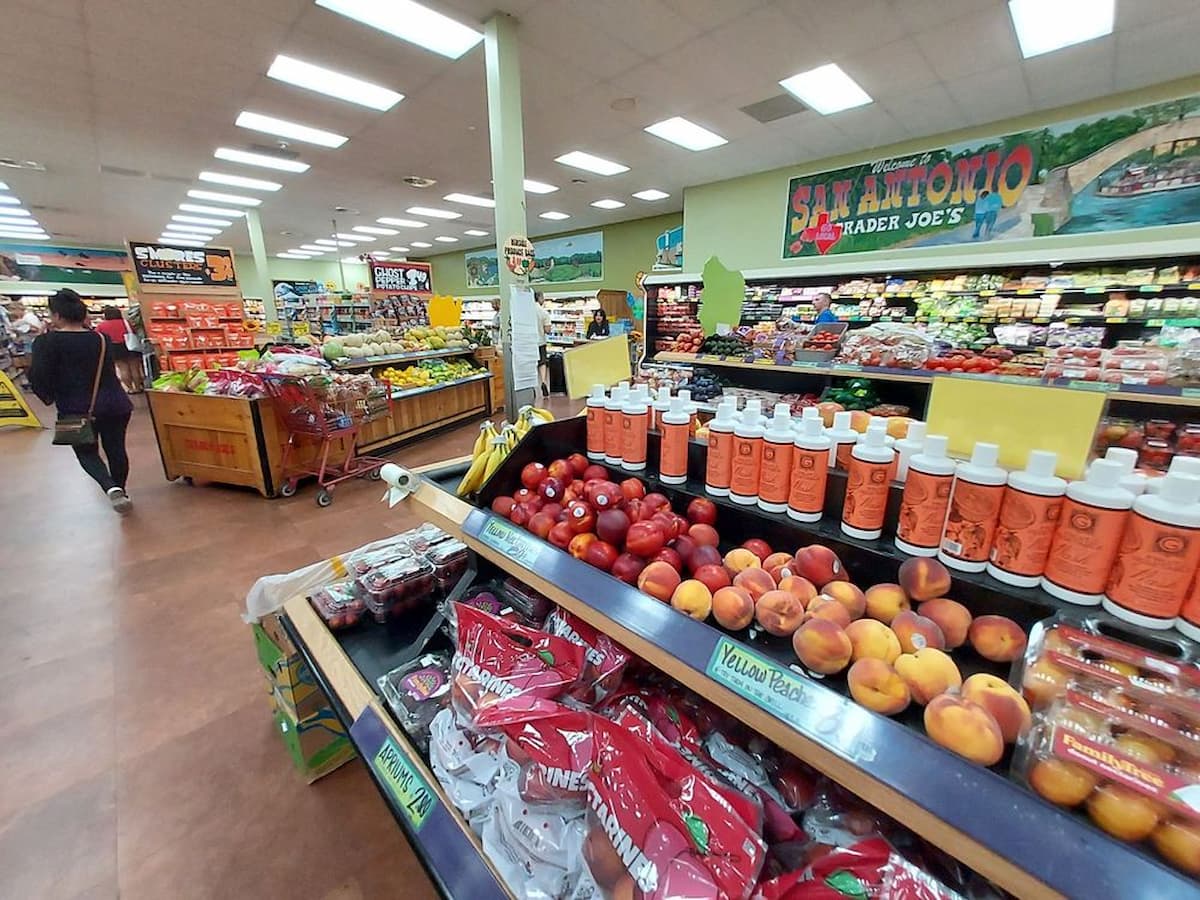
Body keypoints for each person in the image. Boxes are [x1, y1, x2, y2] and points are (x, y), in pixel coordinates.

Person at [29, 289, 134, 514]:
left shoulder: (46, 342)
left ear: (56, 315)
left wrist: (48, 395)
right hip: (115, 403)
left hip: (75, 407)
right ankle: (120, 490)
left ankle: (110, 487)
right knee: (116, 449)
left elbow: (39, 376)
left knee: (86, 452)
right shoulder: (100, 338)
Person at [93, 305, 145, 394]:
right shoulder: (126, 322)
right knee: (135, 368)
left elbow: (97, 336)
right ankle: (138, 387)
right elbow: (134, 331)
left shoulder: (102, 325)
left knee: (123, 369)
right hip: (130, 345)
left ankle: (130, 388)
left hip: (114, 348)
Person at [535, 293, 551, 397]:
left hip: (528, 342)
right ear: (539, 298)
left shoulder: (526, 312)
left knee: (532, 364)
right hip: (540, 341)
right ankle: (544, 381)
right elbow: (547, 330)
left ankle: (532, 387)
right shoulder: (543, 312)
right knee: (542, 363)